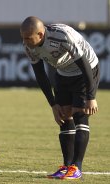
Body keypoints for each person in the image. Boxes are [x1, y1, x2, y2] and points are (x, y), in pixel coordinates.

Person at [20, 16, 100, 179]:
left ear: (40, 34)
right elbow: (40, 75)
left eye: (28, 38)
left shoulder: (63, 37)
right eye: (23, 38)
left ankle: (76, 168)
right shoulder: (29, 46)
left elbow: (84, 64)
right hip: (63, 72)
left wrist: (91, 96)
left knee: (79, 114)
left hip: (85, 71)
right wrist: (53, 104)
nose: (25, 41)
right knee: (64, 116)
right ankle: (66, 166)